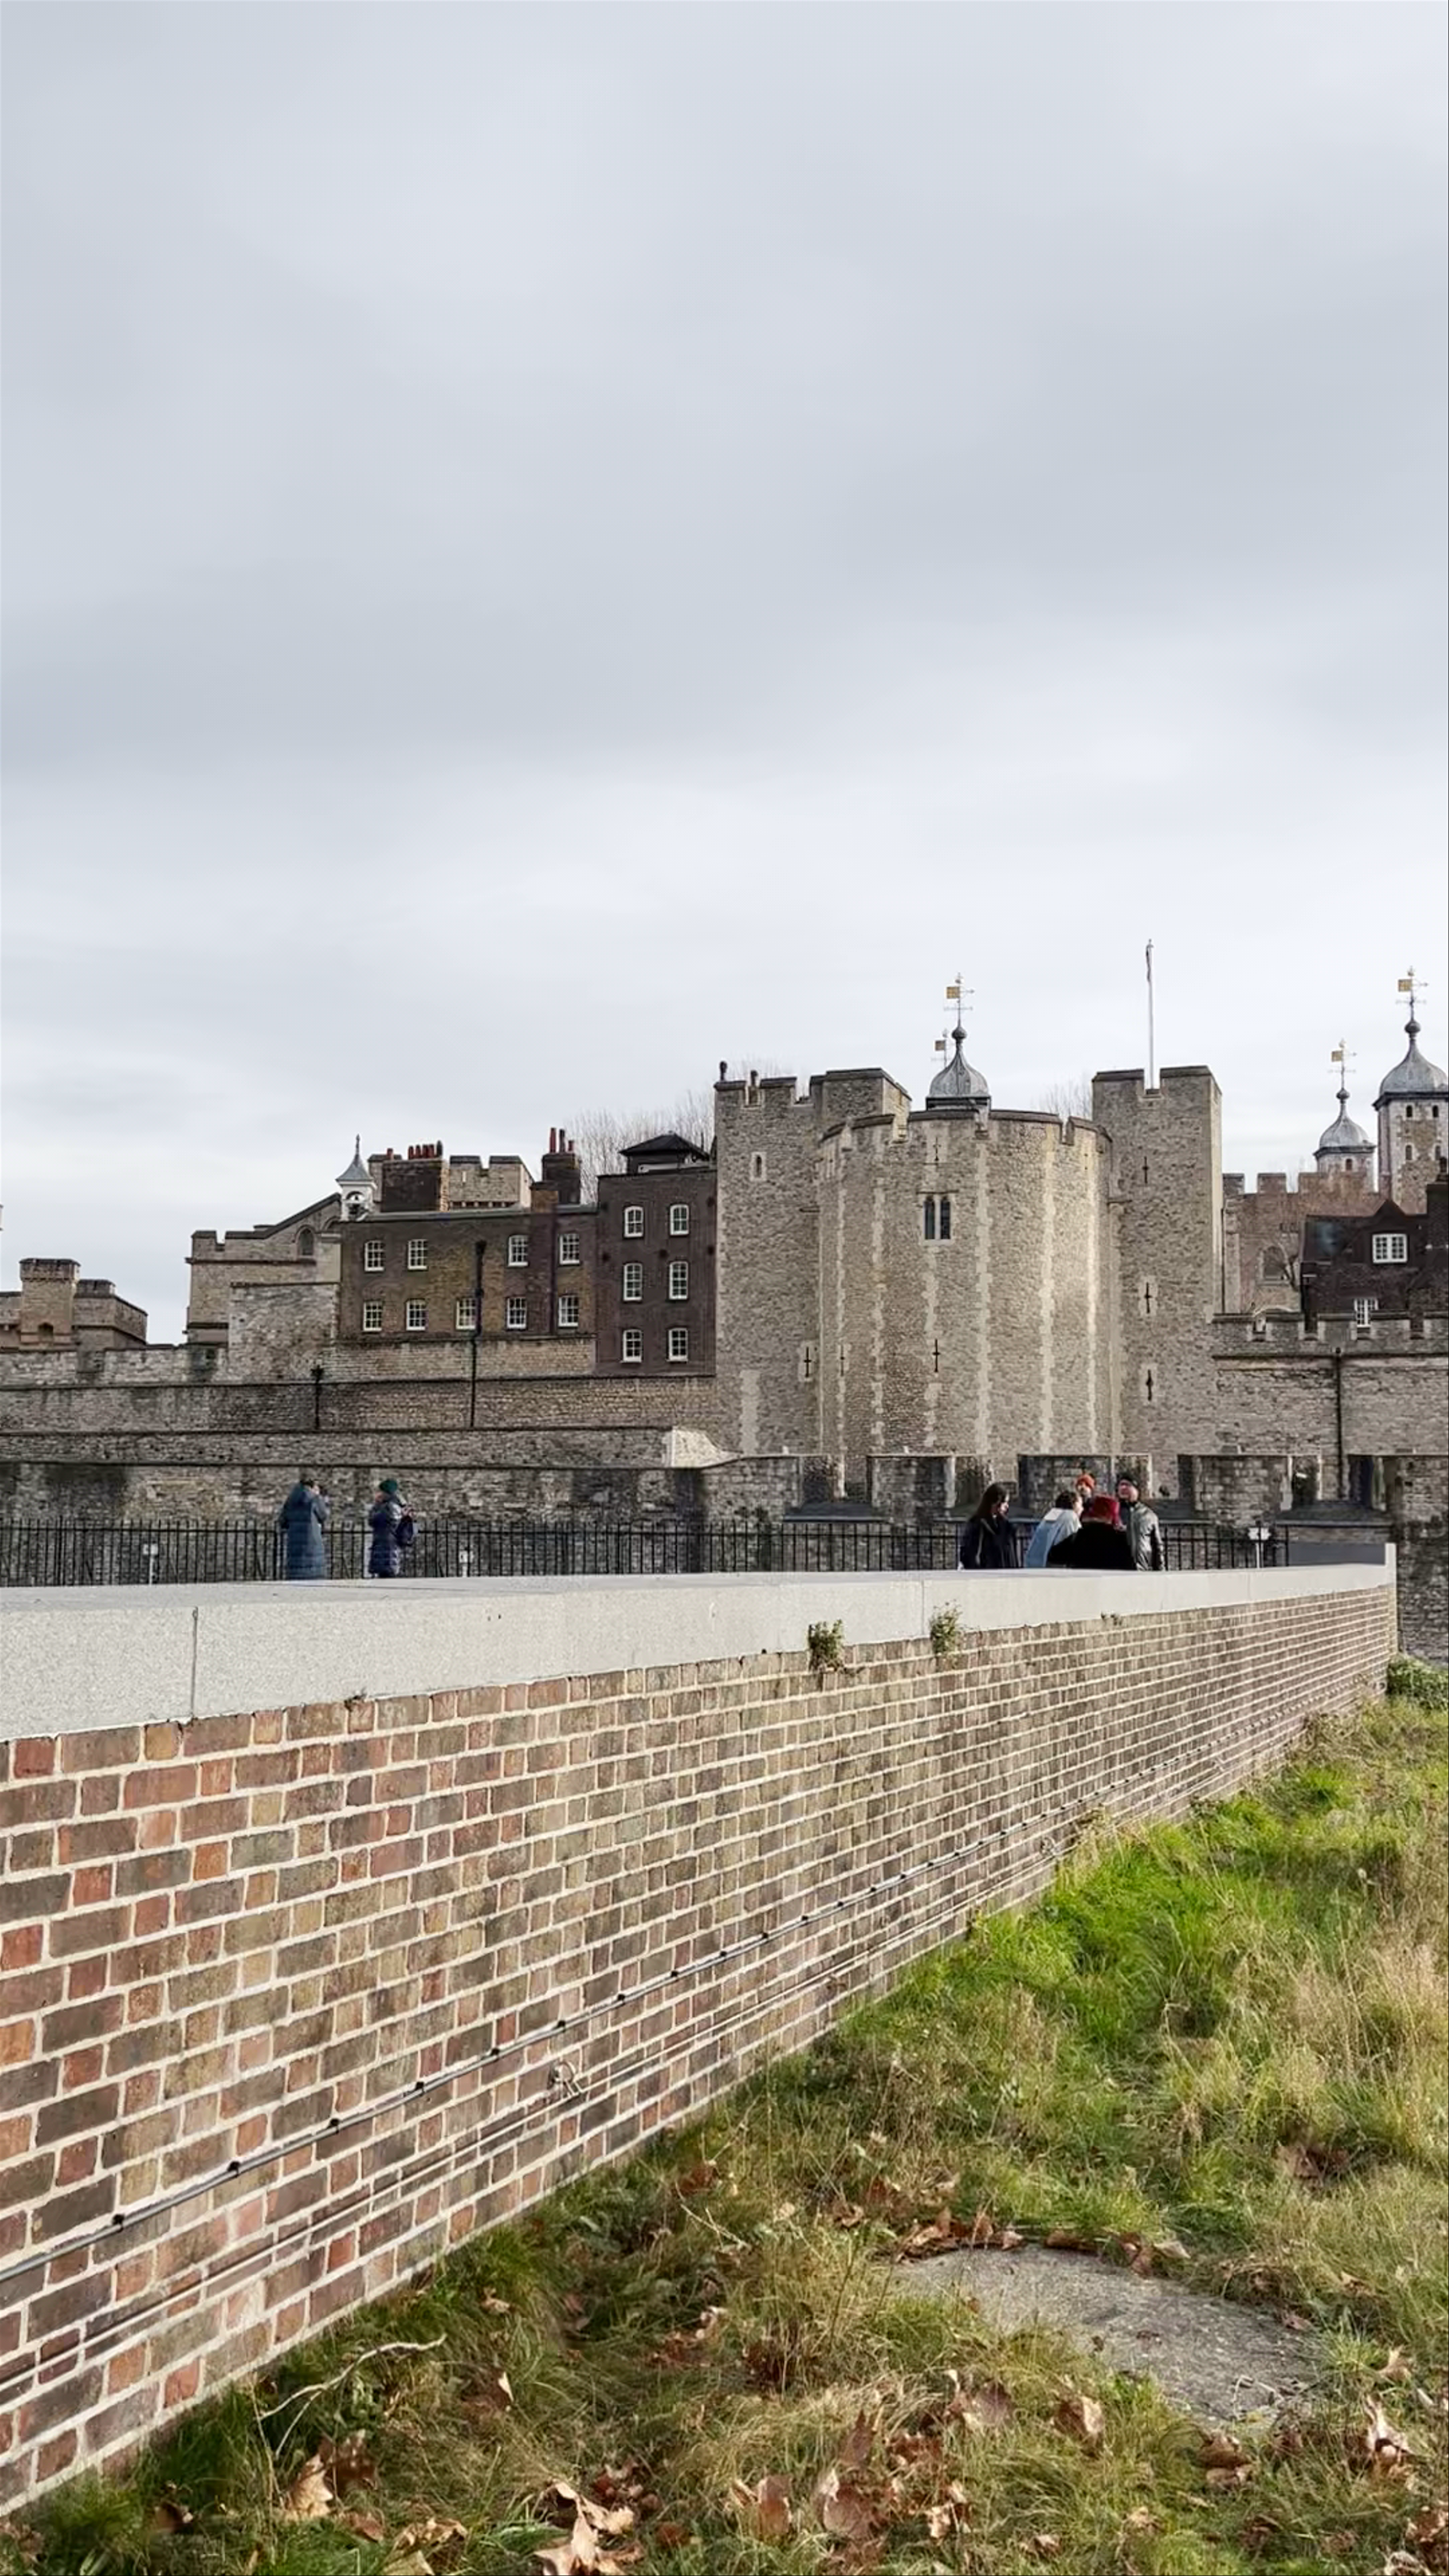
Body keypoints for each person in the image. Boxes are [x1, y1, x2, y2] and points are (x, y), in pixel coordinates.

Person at [1047, 1494, 1135, 1571]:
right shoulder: (1120, 1539)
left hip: (1083, 1585)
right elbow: (1131, 1567)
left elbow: (1054, 1556)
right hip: (1111, 1585)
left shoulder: (1079, 1536)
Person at [277, 1474, 329, 1581]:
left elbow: (283, 1521)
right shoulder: (314, 1499)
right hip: (312, 1541)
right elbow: (323, 1515)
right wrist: (319, 1496)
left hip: (294, 1542)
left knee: (296, 1573)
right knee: (313, 1574)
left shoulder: (291, 1500)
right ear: (312, 1487)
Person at [958, 1483, 1020, 1569]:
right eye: (1005, 1503)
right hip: (985, 1576)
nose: (1007, 1506)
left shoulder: (1008, 1527)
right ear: (996, 1503)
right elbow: (968, 1555)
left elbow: (1013, 1557)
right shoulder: (977, 1525)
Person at [1115, 1474, 1164, 1572]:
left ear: (1137, 1490)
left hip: (1143, 1569)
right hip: (1118, 1570)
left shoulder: (1149, 1516)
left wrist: (1161, 1572)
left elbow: (1158, 1548)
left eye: (1127, 1485)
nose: (1123, 1488)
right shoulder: (1114, 1512)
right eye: (1121, 1485)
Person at [1024, 1488, 1081, 1567]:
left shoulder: (1052, 1515)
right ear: (1075, 1504)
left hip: (1036, 1563)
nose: (1082, 1509)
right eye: (1081, 1505)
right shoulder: (1070, 1517)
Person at [368, 1478, 411, 1578]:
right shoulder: (396, 1505)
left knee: (387, 1573)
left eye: (381, 1491)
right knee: (387, 1572)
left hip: (386, 1543)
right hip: (388, 1542)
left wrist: (377, 1505)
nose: (378, 1494)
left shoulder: (389, 1506)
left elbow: (373, 1520)